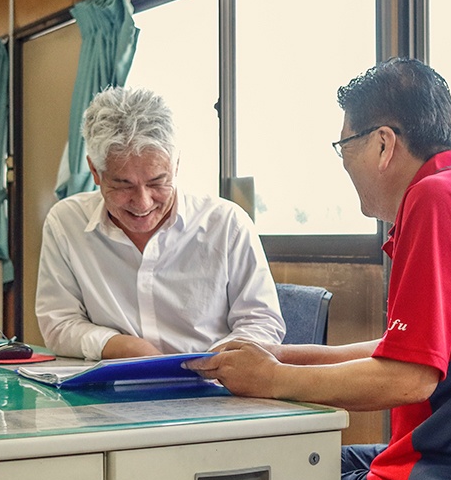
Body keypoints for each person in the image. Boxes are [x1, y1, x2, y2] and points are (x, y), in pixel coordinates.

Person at [185, 58, 451, 480]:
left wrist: (272, 378)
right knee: (300, 462)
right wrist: (284, 355)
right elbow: (403, 352)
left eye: (345, 144)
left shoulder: (435, 200)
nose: (344, 161)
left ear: (384, 144)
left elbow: (408, 380)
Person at [35, 86, 285, 361]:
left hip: (214, 388)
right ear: (95, 171)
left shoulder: (227, 224)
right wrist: (122, 347)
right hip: (109, 388)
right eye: (122, 184)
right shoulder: (66, 223)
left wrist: (208, 365)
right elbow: (59, 323)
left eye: (157, 182)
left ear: (176, 165)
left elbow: (262, 322)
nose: (142, 203)